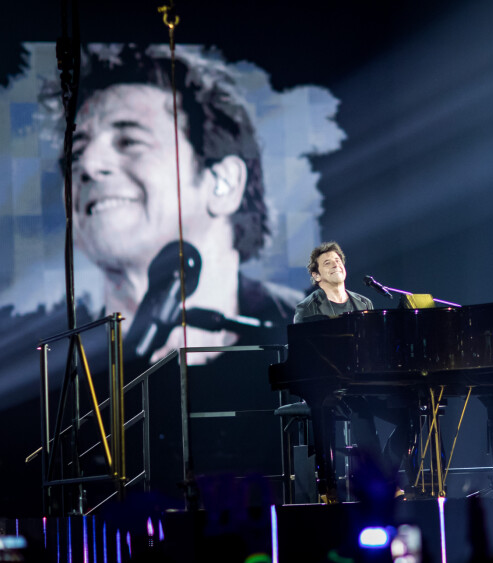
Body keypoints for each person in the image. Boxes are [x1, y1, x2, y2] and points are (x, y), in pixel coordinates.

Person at [69, 44, 301, 365]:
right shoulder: (52, 367)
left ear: (223, 184)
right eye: (76, 153)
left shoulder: (313, 334)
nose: (88, 165)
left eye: (129, 142)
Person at [294, 241, 414, 497]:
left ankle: (383, 477)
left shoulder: (364, 303)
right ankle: (379, 485)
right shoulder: (306, 309)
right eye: (327, 263)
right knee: (360, 408)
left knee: (413, 413)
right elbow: (303, 355)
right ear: (316, 276)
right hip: (332, 386)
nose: (336, 264)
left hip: (368, 383)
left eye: (338, 261)